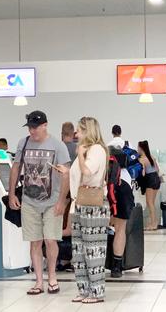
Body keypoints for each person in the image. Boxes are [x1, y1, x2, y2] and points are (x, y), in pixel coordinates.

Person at [8, 110, 70, 296]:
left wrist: (61, 201)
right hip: (29, 201)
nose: (32, 131)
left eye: (35, 127)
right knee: (35, 242)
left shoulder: (58, 146)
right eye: (30, 128)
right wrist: (12, 194)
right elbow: (16, 168)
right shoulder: (23, 143)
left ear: (45, 125)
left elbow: (66, 175)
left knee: (50, 240)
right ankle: (38, 281)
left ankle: (52, 277)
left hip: (52, 201)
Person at [66, 116, 109, 304]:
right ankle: (84, 289)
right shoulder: (85, 150)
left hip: (93, 207)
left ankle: (97, 292)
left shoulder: (97, 150)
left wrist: (82, 155)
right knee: (79, 251)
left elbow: (88, 172)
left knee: (94, 250)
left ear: (88, 131)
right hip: (80, 204)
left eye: (79, 130)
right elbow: (78, 175)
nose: (76, 133)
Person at [107, 147, 135, 278]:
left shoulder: (106, 172)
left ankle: (97, 262)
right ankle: (116, 267)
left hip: (103, 191)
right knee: (120, 229)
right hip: (124, 193)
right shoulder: (126, 175)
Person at [138, 140, 162, 231]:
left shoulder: (142, 159)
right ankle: (153, 222)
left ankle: (153, 224)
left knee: (150, 203)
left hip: (150, 180)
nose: (137, 149)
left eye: (138, 147)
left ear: (141, 148)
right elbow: (157, 170)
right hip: (156, 179)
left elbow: (143, 173)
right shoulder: (152, 157)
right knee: (152, 203)